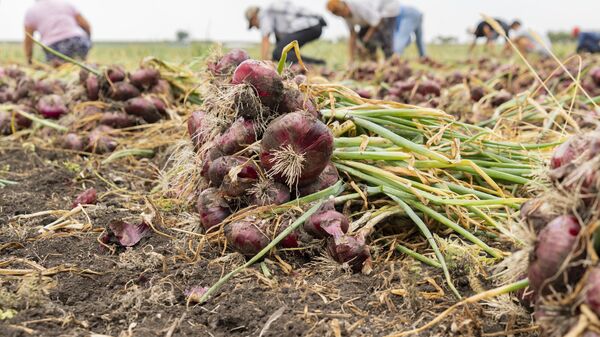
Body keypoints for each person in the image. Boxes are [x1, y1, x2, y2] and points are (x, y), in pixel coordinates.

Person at [327, 0, 425, 64]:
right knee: (364, 41)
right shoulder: (346, 16)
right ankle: (372, 62)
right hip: (373, 21)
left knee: (386, 41)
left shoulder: (358, 6)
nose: (342, 16)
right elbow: (352, 35)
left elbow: (377, 21)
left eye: (341, 12)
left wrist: (366, 39)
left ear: (344, 6)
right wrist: (351, 59)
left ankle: (391, 63)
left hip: (385, 14)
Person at [245, 2, 327, 65]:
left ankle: (307, 65)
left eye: (253, 24)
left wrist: (262, 63)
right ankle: (317, 63)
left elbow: (265, 37)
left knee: (279, 53)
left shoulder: (263, 14)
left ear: (254, 17)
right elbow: (279, 44)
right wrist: (273, 59)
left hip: (309, 26)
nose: (255, 27)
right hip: (314, 26)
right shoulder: (275, 18)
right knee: (281, 53)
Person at [24, 0, 92, 65]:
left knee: (57, 65)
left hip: (55, 48)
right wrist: (88, 42)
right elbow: (86, 25)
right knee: (81, 61)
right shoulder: (64, 3)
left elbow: (29, 39)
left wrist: (29, 60)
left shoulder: (31, 12)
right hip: (78, 41)